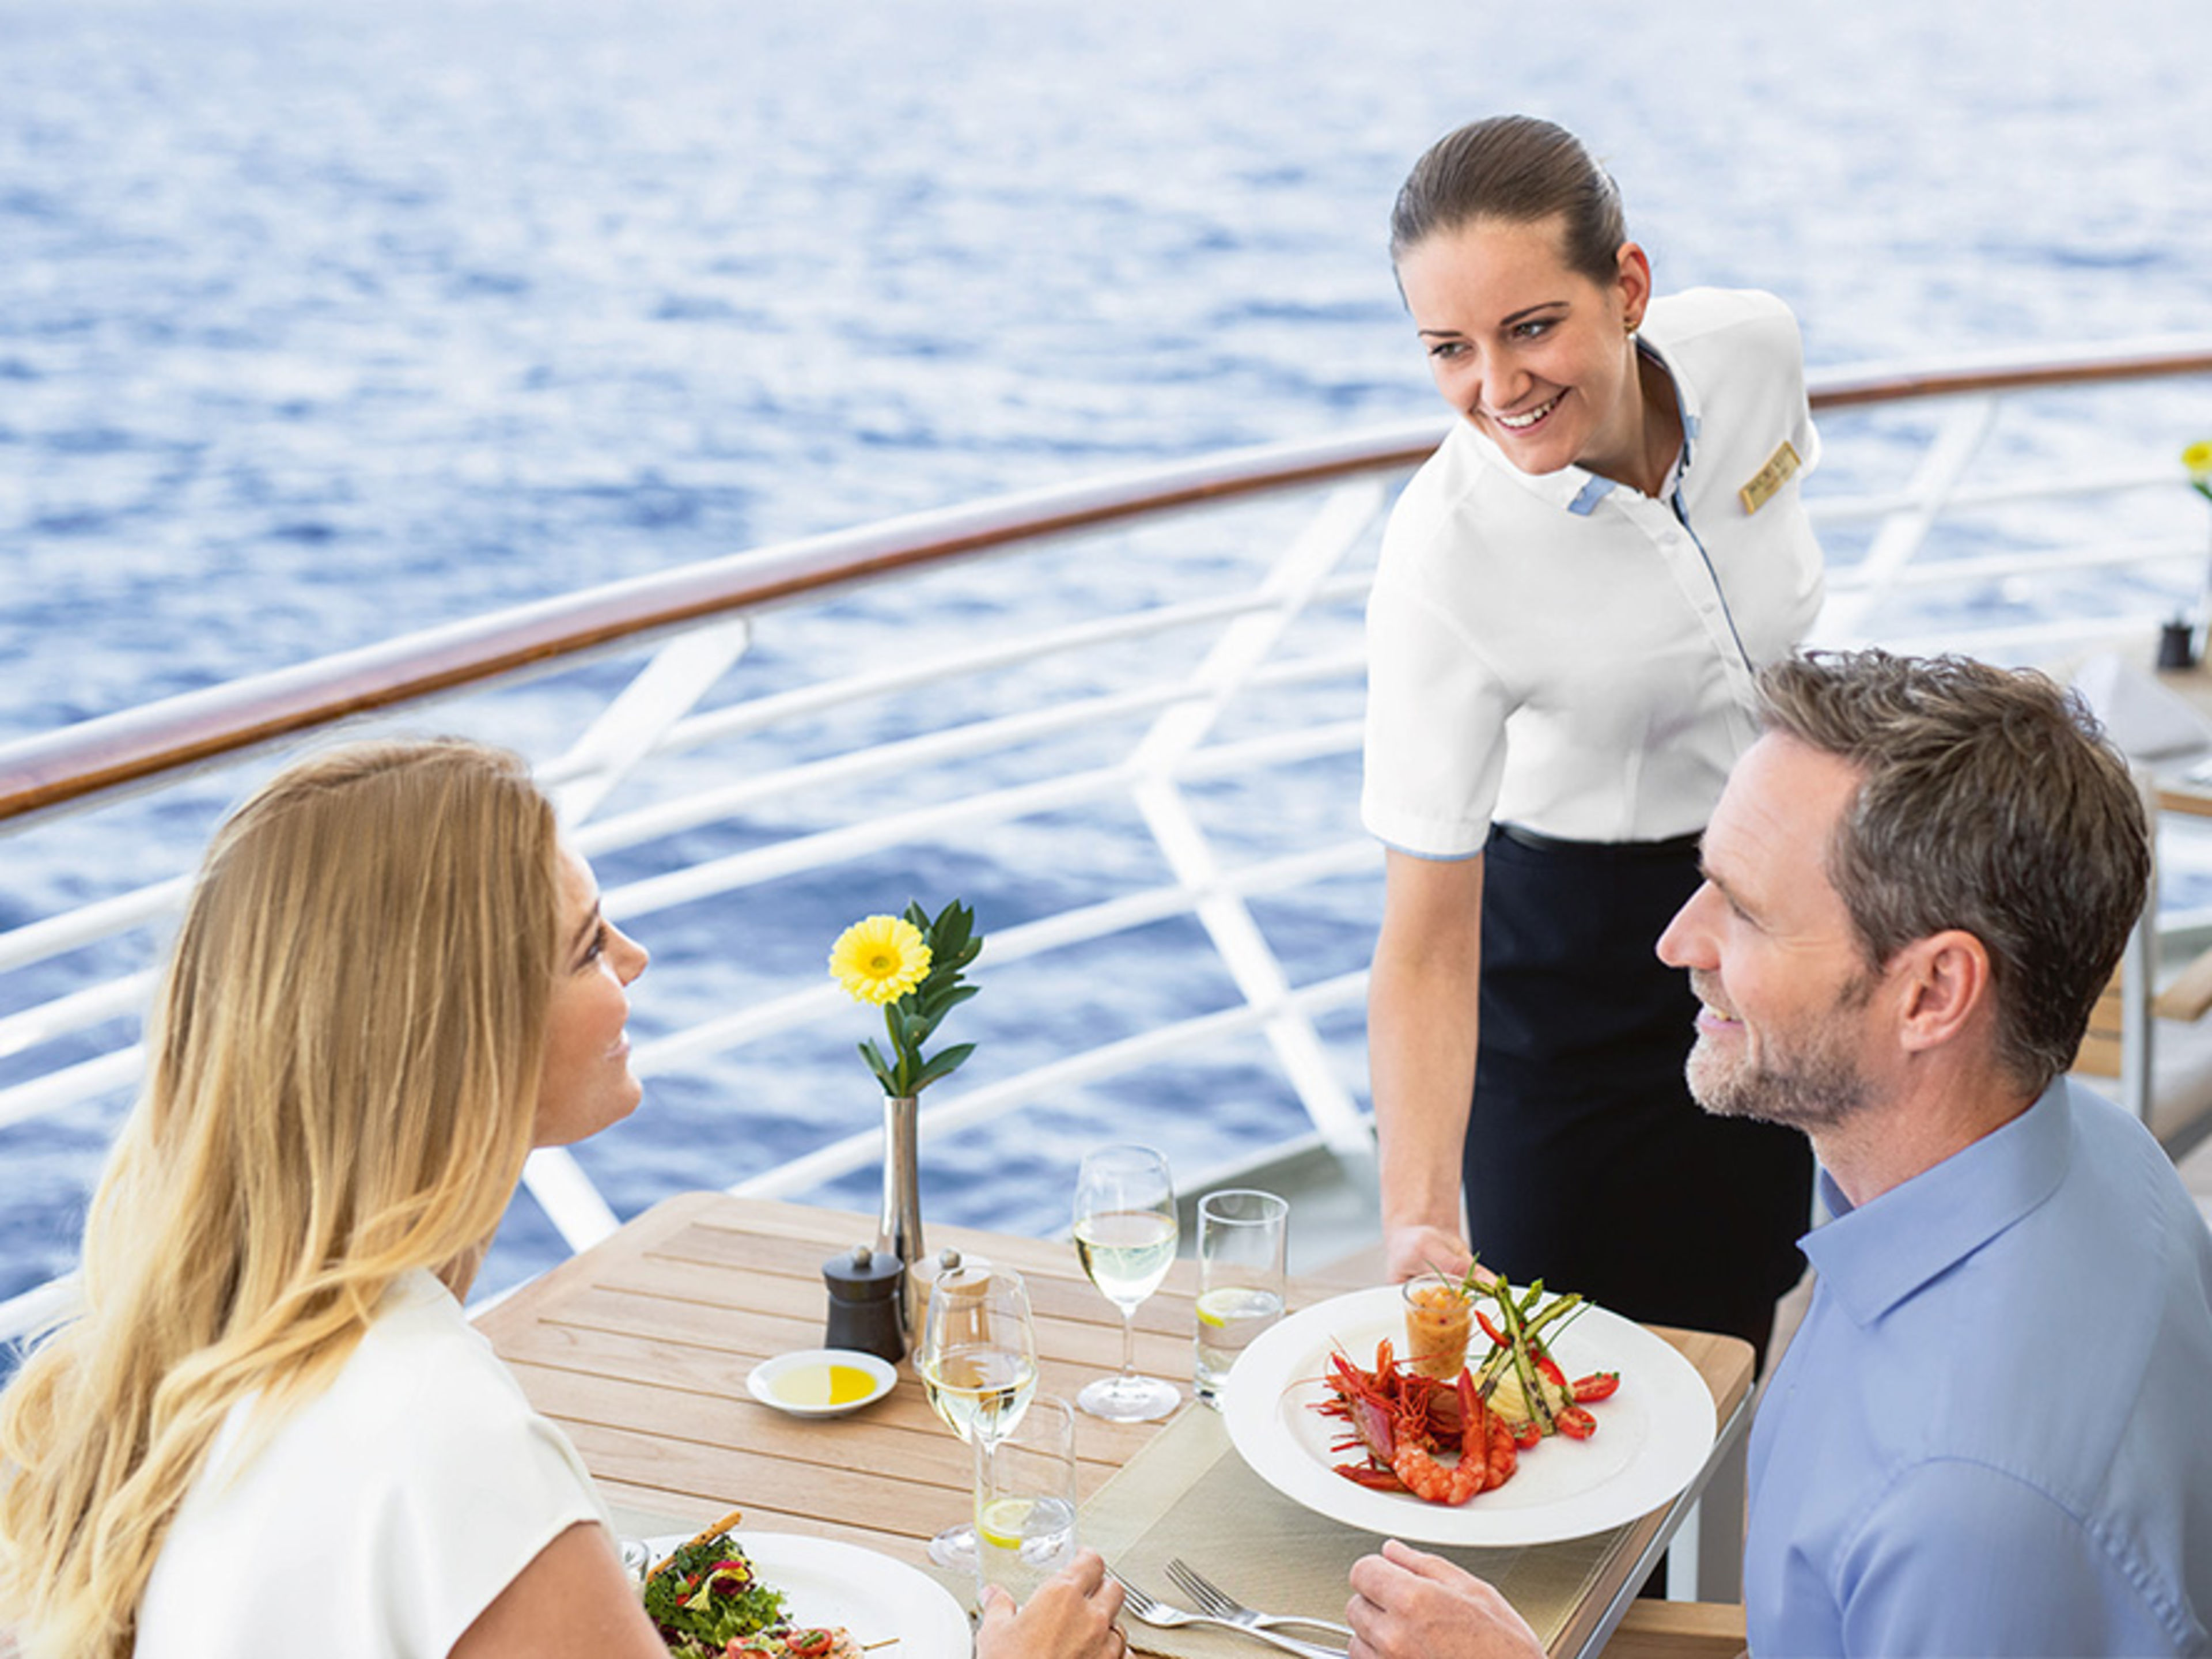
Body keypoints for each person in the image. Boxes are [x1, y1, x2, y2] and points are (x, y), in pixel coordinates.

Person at [0, 738, 1124, 1659]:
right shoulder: (452, 1446)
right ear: (459, 1037)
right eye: (586, 947)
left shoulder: (180, 1370)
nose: (633, 960)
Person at [1347, 649, 2212, 1658]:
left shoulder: (1972, 1514)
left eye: (1745, 910)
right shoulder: (2096, 1152)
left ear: (1933, 993)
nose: (1677, 941)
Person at [1363, 114, 1824, 1361]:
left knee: (1743, 1309)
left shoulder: (1752, 353)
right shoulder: (1442, 556)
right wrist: (1415, 1211)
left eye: (1531, 328)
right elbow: (1422, 942)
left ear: (1626, 288)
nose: (1497, 390)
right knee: (1556, 1379)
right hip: (1566, 981)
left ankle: (1717, 1569)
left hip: (1768, 917)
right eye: (1449, 350)